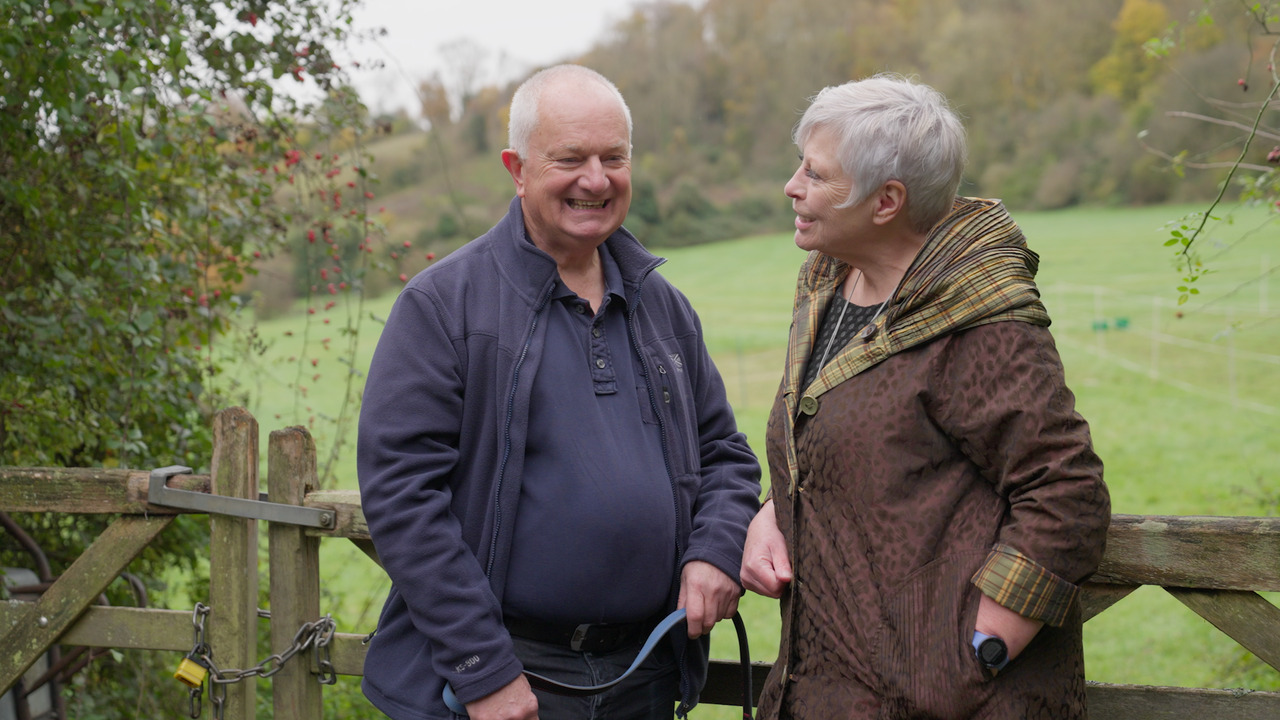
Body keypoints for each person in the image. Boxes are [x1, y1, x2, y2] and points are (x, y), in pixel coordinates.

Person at [357, 64, 761, 720]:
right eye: (570, 158)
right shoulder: (443, 307)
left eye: (614, 157)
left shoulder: (664, 307)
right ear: (517, 169)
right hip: (511, 676)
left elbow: (725, 456)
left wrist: (717, 549)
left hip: (645, 673)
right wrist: (483, 669)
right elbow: (403, 501)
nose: (596, 180)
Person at [739, 75, 1111, 719]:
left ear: (886, 201)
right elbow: (852, 442)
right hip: (830, 689)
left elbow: (1065, 490)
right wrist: (778, 506)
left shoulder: (977, 320)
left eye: (816, 174)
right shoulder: (827, 288)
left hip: (948, 701)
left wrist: (989, 639)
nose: (791, 186)